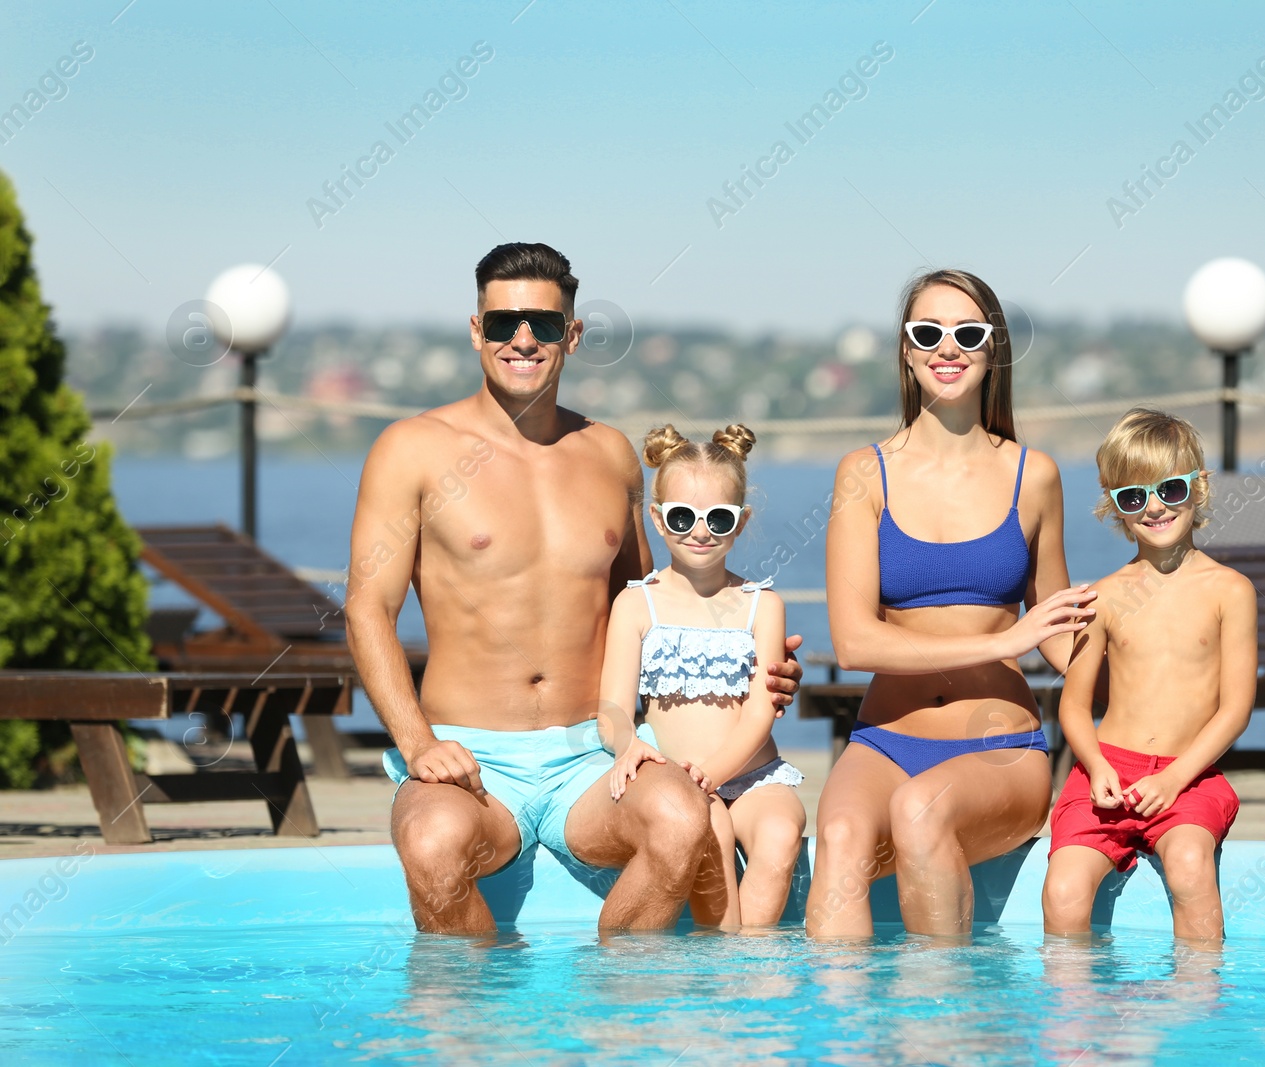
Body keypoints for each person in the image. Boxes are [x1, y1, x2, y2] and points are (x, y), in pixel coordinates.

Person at [344, 242, 804, 937]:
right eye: (502, 324)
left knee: (681, 821)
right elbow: (367, 608)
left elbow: (657, 599)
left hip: (596, 755)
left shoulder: (610, 455)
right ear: (477, 330)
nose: (522, 339)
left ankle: (613, 1006)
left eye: (544, 324)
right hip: (471, 755)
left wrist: (752, 667)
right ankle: (479, 1022)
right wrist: (416, 743)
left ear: (573, 335)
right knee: (432, 844)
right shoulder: (412, 449)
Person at [807, 268, 1098, 938]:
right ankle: (844, 1038)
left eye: (967, 333)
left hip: (999, 747)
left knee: (919, 809)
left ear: (992, 348)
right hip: (884, 740)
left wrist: (1150, 640)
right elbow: (854, 642)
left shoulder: (1034, 475)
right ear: (906, 351)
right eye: (927, 332)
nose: (948, 347)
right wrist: (1001, 641)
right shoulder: (863, 472)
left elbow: (1057, 634)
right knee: (844, 832)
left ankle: (946, 1029)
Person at [1041, 408, 1256, 945]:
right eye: (1133, 496)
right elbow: (1073, 704)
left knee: (1188, 865)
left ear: (1199, 487)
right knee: (1065, 890)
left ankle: (1195, 1003)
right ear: (1113, 505)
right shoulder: (1104, 596)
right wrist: (1093, 766)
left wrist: (1173, 778)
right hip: (1106, 772)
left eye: (1171, 489)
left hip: (1190, 775)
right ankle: (1075, 1010)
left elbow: (1235, 710)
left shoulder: (1230, 590)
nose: (1155, 506)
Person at [600, 423, 806, 929]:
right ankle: (726, 959)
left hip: (754, 774)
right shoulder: (635, 604)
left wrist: (714, 772)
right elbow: (612, 708)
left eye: (718, 517)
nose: (700, 530)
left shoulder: (763, 604)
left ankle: (751, 962)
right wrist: (627, 745)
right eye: (682, 516)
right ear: (657, 517)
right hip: (681, 777)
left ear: (740, 522)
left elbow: (762, 710)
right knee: (705, 824)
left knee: (782, 831)